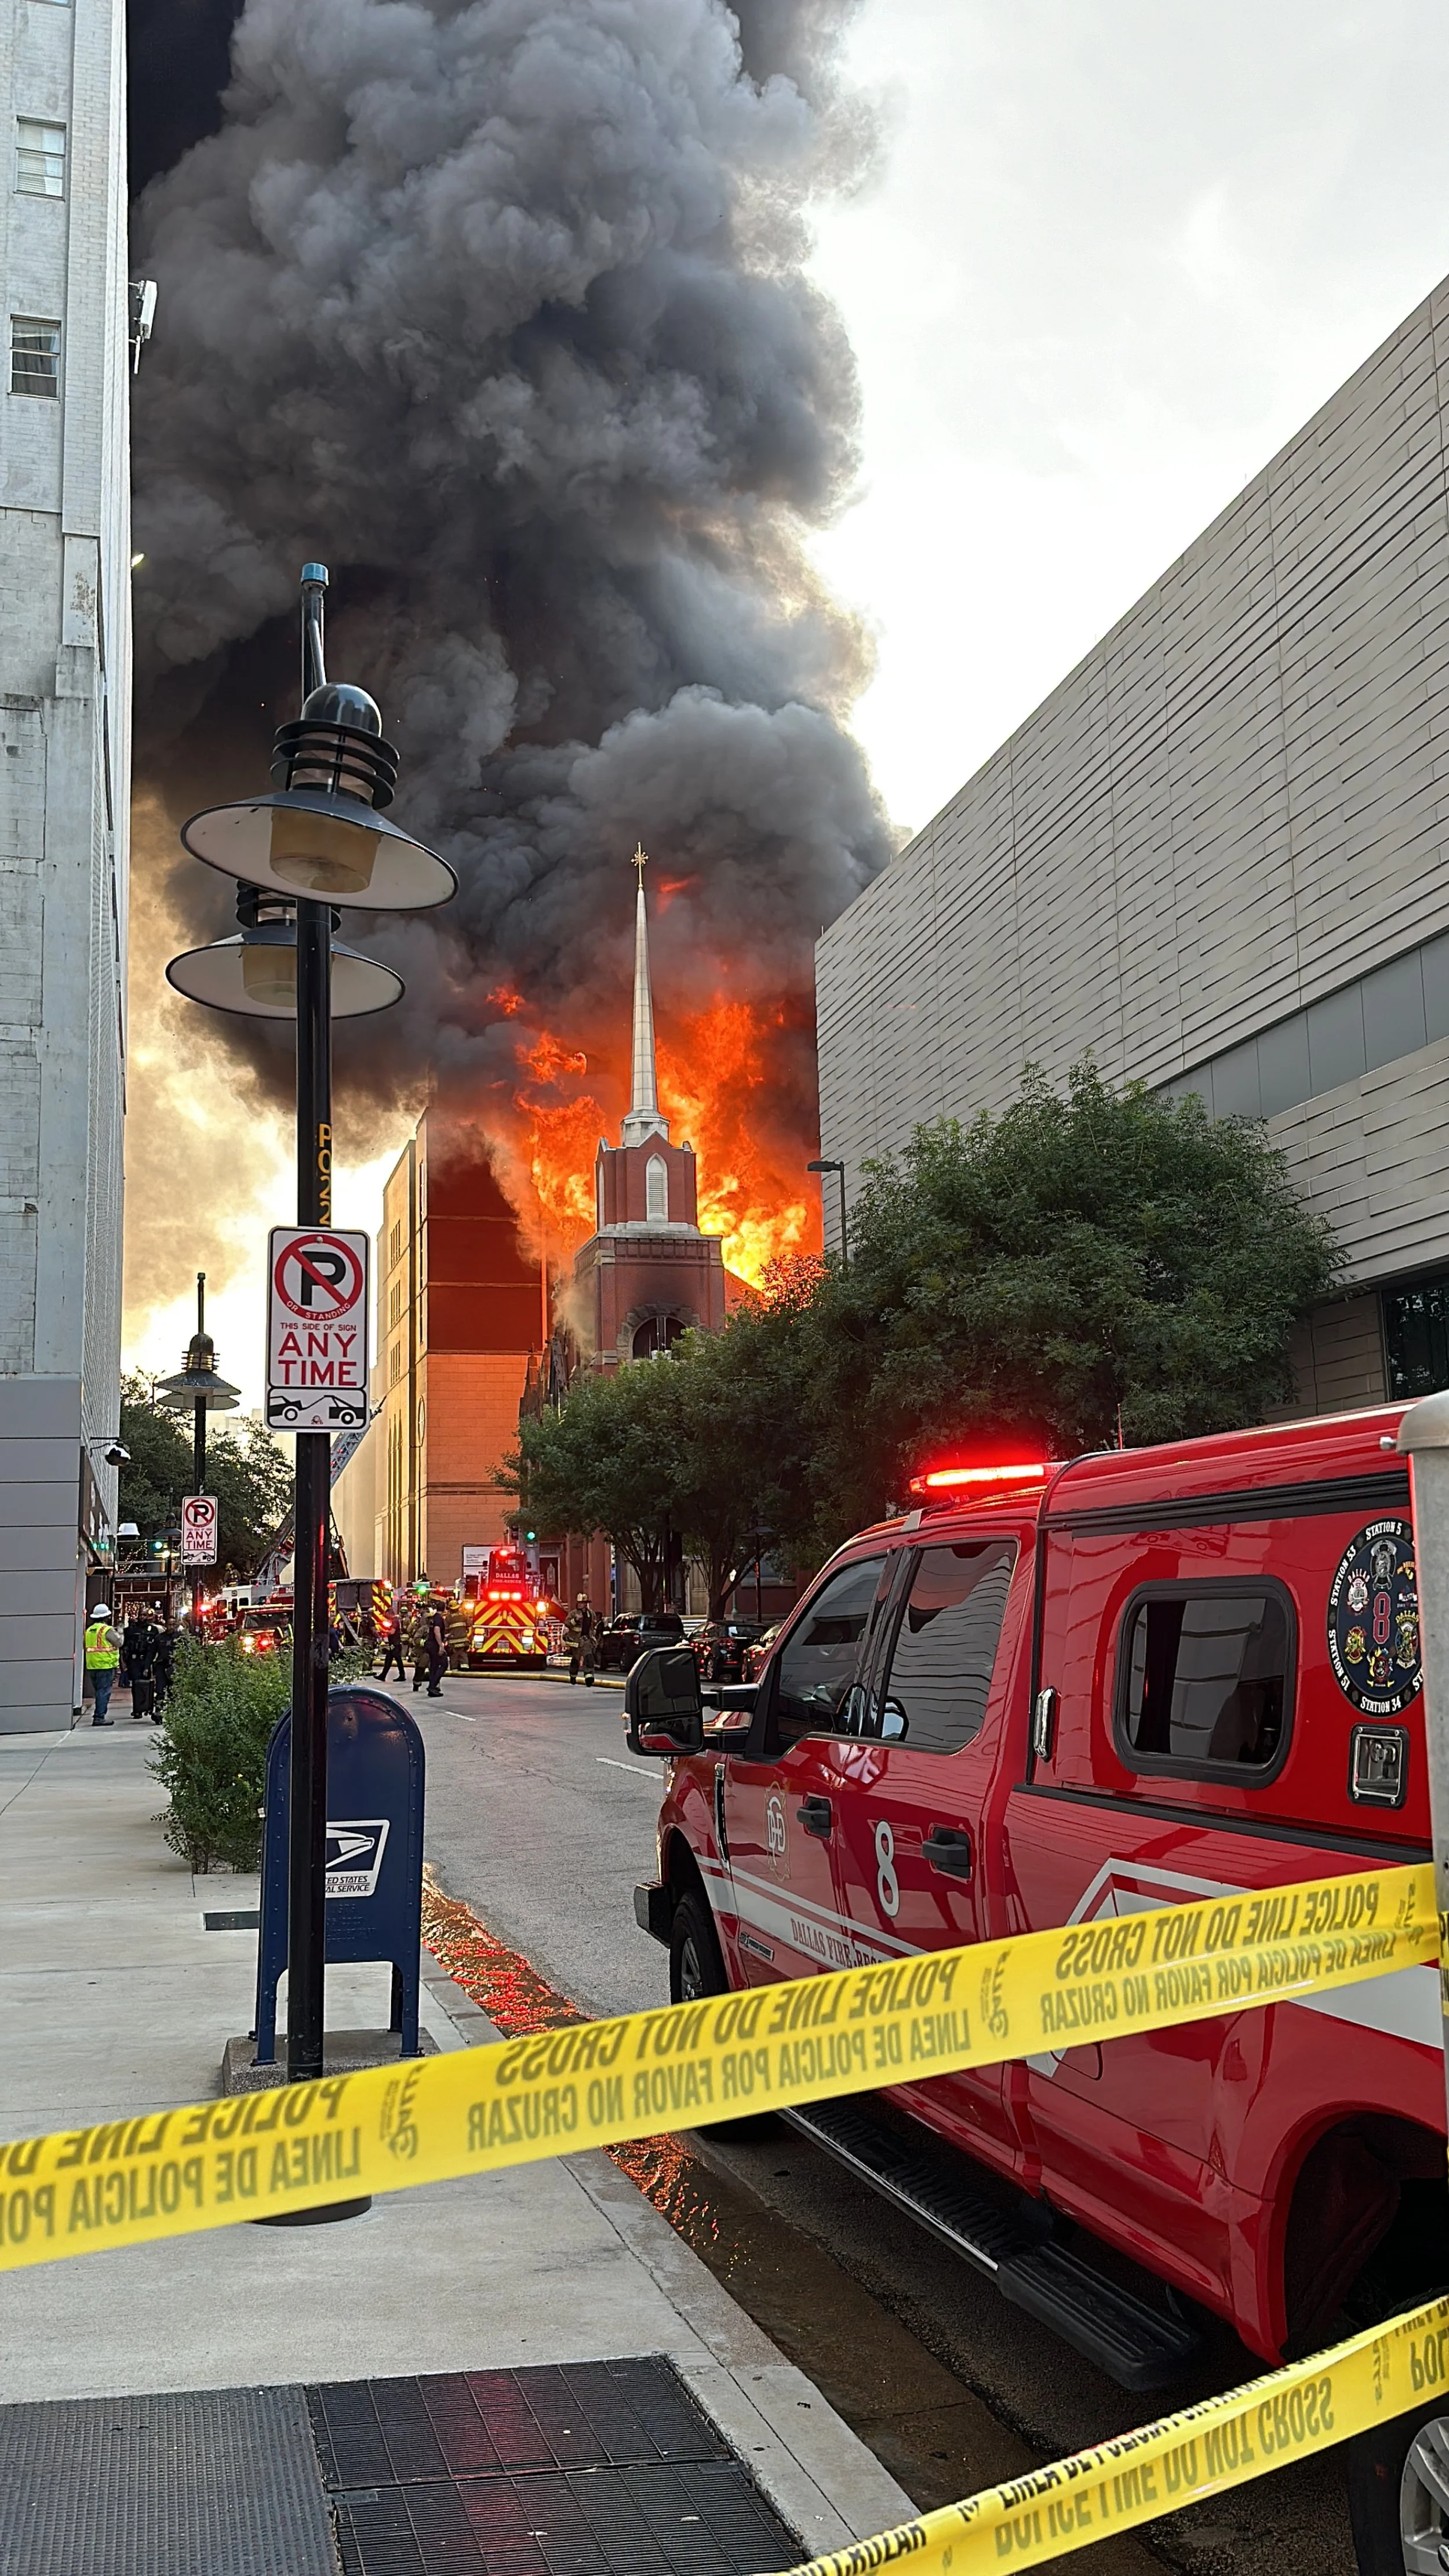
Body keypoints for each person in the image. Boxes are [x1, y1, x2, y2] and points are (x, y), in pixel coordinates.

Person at [84, 1604, 122, 1725]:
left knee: (99, 1691)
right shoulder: (107, 1630)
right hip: (105, 1665)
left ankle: (99, 1715)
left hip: (92, 1666)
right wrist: (121, 1631)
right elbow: (119, 1642)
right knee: (104, 1691)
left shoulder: (90, 1630)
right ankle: (99, 1717)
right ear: (107, 1617)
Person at [564, 1594, 597, 1687]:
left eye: (582, 1603)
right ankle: (573, 1676)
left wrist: (593, 1637)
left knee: (589, 1658)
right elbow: (567, 1623)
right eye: (579, 1603)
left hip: (587, 1640)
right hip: (576, 1641)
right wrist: (575, 1620)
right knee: (576, 1660)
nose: (580, 1605)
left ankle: (589, 1678)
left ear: (586, 1604)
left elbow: (593, 1626)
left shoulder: (591, 1614)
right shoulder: (573, 1613)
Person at [425, 1600, 448, 1698]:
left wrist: (446, 1636)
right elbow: (436, 1631)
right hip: (435, 1645)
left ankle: (432, 1689)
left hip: (430, 1644)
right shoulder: (439, 1618)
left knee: (434, 1666)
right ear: (445, 1609)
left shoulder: (434, 1618)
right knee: (444, 1664)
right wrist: (441, 1646)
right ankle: (433, 1686)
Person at [376, 1608, 406, 1682]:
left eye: (386, 1616)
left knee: (397, 1660)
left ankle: (402, 1676)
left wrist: (385, 1632)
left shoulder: (395, 1621)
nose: (386, 1617)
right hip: (394, 1644)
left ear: (389, 1613)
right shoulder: (395, 1620)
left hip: (395, 1644)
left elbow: (392, 1632)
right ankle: (383, 1675)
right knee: (389, 1660)